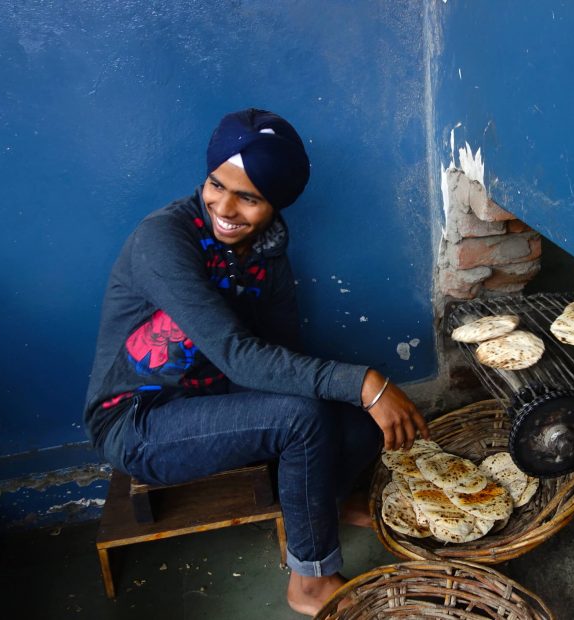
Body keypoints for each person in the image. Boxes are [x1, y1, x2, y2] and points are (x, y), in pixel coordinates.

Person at [83, 108, 429, 615]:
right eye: (215, 185)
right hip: (138, 419)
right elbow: (239, 357)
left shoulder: (269, 253)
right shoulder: (164, 239)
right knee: (306, 416)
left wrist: (359, 396)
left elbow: (281, 353)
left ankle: (326, 507)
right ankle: (309, 583)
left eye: (248, 197)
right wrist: (366, 383)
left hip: (216, 393)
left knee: (355, 420)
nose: (224, 207)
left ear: (275, 202)